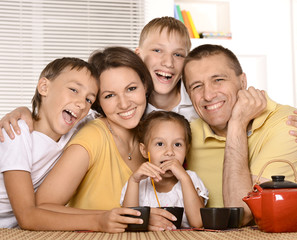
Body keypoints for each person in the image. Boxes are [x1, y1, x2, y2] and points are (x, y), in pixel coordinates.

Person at [0, 17, 297, 145]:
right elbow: (70, 110)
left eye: (179, 55)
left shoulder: (203, 102)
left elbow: (261, 112)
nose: (167, 62)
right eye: (157, 51)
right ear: (139, 54)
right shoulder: (122, 102)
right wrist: (26, 112)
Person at [181, 44, 297, 226]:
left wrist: (237, 123)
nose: (208, 94)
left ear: (242, 82)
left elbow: (242, 211)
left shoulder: (290, 124)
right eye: (197, 86)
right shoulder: (185, 135)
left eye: (218, 80)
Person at [34, 47, 177, 232]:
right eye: (109, 95)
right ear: (97, 102)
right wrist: (130, 218)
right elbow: (41, 209)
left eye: (131, 89)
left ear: (145, 86)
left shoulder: (154, 137)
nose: (124, 104)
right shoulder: (93, 137)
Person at [0, 57, 143, 231]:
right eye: (74, 90)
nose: (81, 103)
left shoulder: (76, 127)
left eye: (89, 99)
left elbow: (113, 115)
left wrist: (111, 216)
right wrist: (98, 221)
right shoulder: (17, 133)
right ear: (44, 87)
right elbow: (28, 217)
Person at [121, 111, 208, 228]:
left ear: (186, 150)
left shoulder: (190, 179)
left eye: (177, 145)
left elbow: (198, 223)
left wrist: (184, 178)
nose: (169, 152)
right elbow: (129, 222)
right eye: (160, 144)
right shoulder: (138, 184)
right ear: (144, 150)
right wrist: (133, 181)